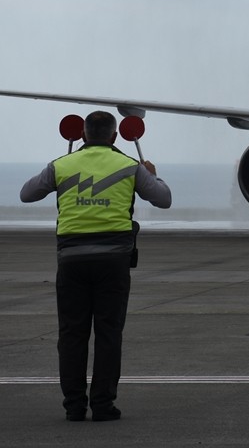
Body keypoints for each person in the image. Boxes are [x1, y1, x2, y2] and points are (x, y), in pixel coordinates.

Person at [20, 110, 171, 422]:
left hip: (71, 262)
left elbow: (27, 194)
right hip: (113, 263)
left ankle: (74, 406)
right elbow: (163, 199)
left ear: (84, 135)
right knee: (108, 334)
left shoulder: (61, 165)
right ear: (114, 137)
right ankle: (102, 405)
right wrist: (152, 174)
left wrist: (61, 168)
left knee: (71, 335)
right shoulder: (129, 166)